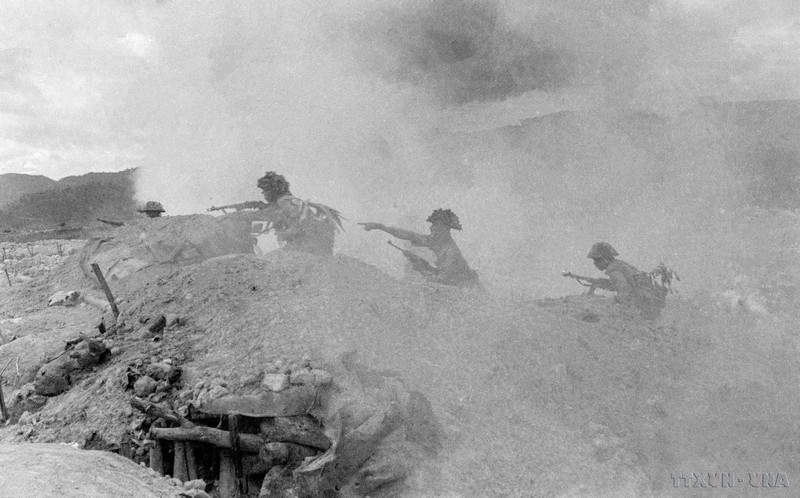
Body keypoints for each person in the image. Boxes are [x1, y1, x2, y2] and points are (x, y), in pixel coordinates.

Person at [360, 208, 479, 287]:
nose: (432, 229)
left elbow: (442, 282)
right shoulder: (436, 241)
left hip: (467, 290)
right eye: (433, 226)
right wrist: (380, 226)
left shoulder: (452, 253)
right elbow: (410, 235)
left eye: (437, 226)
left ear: (447, 230)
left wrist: (420, 266)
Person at [254, 171, 344, 256]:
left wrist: (286, 234)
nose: (263, 193)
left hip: (306, 248)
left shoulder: (284, 202)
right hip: (313, 248)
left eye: (265, 190)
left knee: (270, 260)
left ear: (273, 190)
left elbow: (302, 225)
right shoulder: (292, 201)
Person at [587, 241, 666, 318]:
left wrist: (611, 302)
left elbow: (624, 290)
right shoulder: (618, 264)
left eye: (597, 260)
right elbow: (620, 284)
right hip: (649, 301)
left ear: (605, 259)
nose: (595, 264)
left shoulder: (614, 271)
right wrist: (599, 282)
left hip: (645, 304)